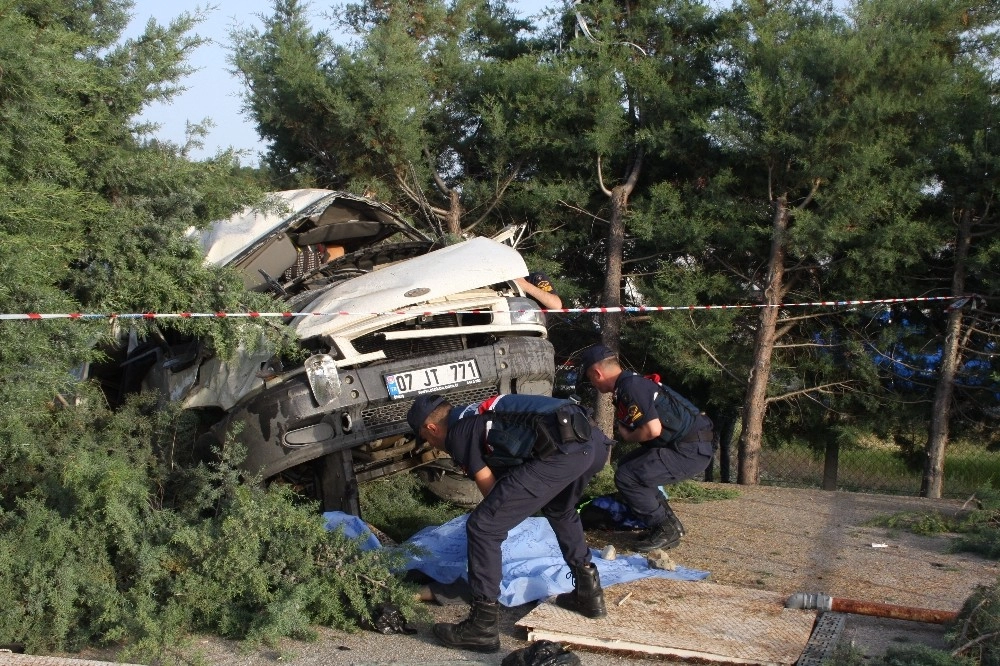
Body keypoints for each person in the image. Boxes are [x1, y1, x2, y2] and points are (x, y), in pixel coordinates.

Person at [406, 392, 612, 653]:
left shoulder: (458, 434)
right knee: (561, 511)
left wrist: (497, 524)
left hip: (564, 449)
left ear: (431, 427)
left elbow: (491, 495)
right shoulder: (474, 414)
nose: (433, 444)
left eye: (427, 439)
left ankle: (481, 626)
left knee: (483, 527)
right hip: (590, 441)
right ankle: (588, 594)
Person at [579, 344, 714, 552]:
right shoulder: (630, 383)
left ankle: (664, 527)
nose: (592, 383)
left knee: (628, 476)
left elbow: (652, 430)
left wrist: (627, 435)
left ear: (597, 373)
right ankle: (669, 525)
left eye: (589, 377)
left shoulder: (630, 386)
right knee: (628, 465)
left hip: (690, 449)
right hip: (689, 445)